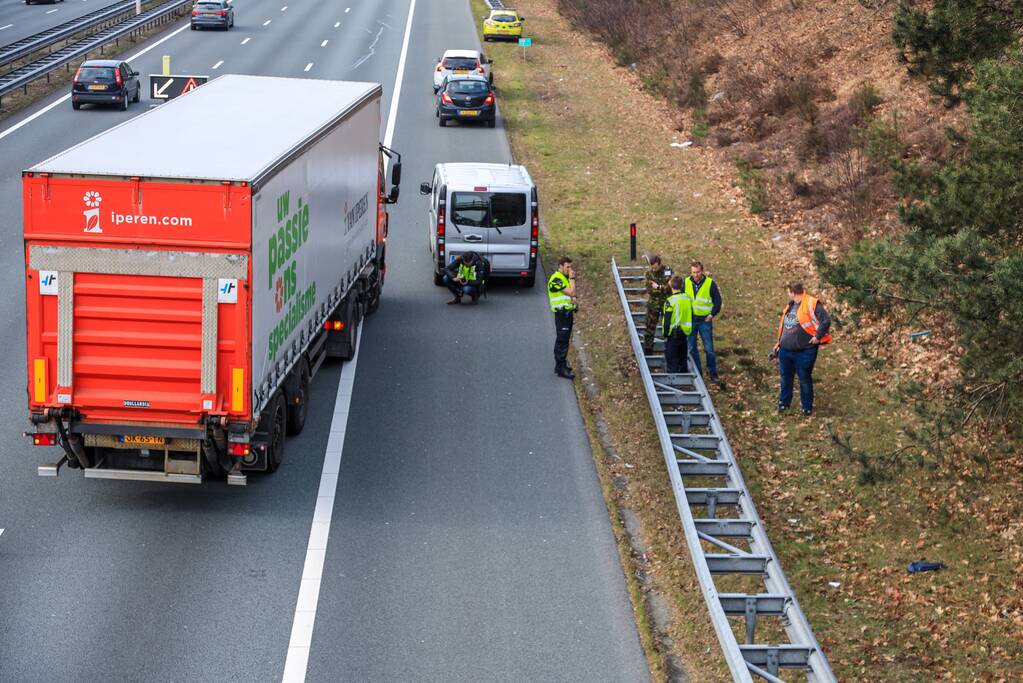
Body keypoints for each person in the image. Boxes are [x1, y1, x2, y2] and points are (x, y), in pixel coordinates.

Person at [773, 282, 831, 416]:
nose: (788, 295)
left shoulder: (812, 303)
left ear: (793, 292)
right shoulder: (790, 305)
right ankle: (784, 403)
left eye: (789, 292)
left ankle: (806, 407)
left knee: (804, 378)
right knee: (785, 378)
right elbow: (783, 328)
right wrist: (778, 346)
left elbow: (826, 321)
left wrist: (817, 336)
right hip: (785, 350)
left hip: (805, 351)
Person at [685, 261, 722, 381]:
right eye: (694, 272)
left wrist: (712, 314)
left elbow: (718, 301)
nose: (696, 275)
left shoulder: (710, 283)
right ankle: (698, 373)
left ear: (702, 271)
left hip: (704, 320)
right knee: (691, 348)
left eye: (698, 272)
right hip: (690, 320)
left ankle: (713, 373)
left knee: (709, 349)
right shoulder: (686, 282)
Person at [548, 256, 578, 380]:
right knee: (562, 341)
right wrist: (572, 278)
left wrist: (574, 302)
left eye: (571, 267)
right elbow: (572, 292)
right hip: (561, 315)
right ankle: (560, 368)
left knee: (565, 340)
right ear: (560, 266)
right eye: (567, 267)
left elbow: (571, 295)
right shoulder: (556, 279)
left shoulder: (563, 278)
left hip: (567, 313)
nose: (570, 269)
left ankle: (560, 365)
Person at [661, 275, 693, 373]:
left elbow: (667, 321)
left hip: (673, 334)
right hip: (685, 333)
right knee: (682, 358)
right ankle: (684, 379)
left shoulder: (670, 301)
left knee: (672, 359)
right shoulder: (688, 299)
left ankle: (673, 380)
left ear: (670, 285)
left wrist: (665, 334)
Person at [643, 255, 672, 355]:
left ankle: (669, 350)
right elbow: (650, 290)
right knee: (649, 328)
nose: (654, 269)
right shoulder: (648, 273)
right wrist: (662, 288)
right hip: (653, 305)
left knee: (668, 328)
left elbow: (670, 287)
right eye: (652, 268)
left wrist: (658, 287)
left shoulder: (667, 270)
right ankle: (648, 350)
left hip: (666, 304)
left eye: (656, 267)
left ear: (660, 264)